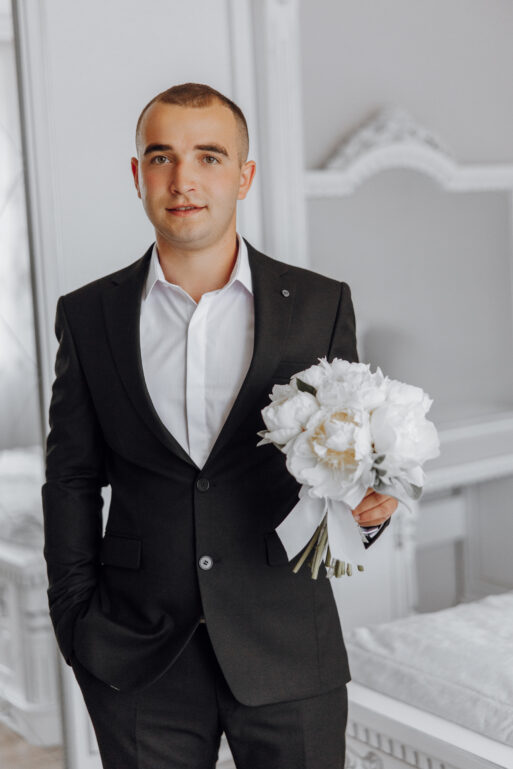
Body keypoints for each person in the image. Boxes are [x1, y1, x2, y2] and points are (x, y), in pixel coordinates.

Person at [42, 83, 398, 769]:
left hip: (288, 645)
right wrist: (74, 619)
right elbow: (71, 478)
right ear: (137, 175)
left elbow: (349, 467)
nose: (183, 180)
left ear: (244, 175)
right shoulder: (88, 316)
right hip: (136, 656)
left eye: (208, 156)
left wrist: (369, 513)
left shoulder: (319, 305)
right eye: (161, 157)